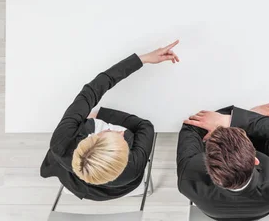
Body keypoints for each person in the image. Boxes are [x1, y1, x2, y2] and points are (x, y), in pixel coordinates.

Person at [39, 40, 180, 200]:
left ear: (92, 138)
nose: (119, 132)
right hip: (112, 188)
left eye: (108, 132)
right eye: (121, 140)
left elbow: (92, 90)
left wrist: (142, 59)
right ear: (124, 160)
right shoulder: (132, 168)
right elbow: (145, 126)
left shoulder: (60, 143)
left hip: (78, 183)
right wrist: (102, 115)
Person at [178, 101, 269, 220]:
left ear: (207, 165)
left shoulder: (187, 180)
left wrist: (228, 120)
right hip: (262, 212)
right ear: (255, 161)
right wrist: (238, 118)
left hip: (214, 213)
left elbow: (192, 126)